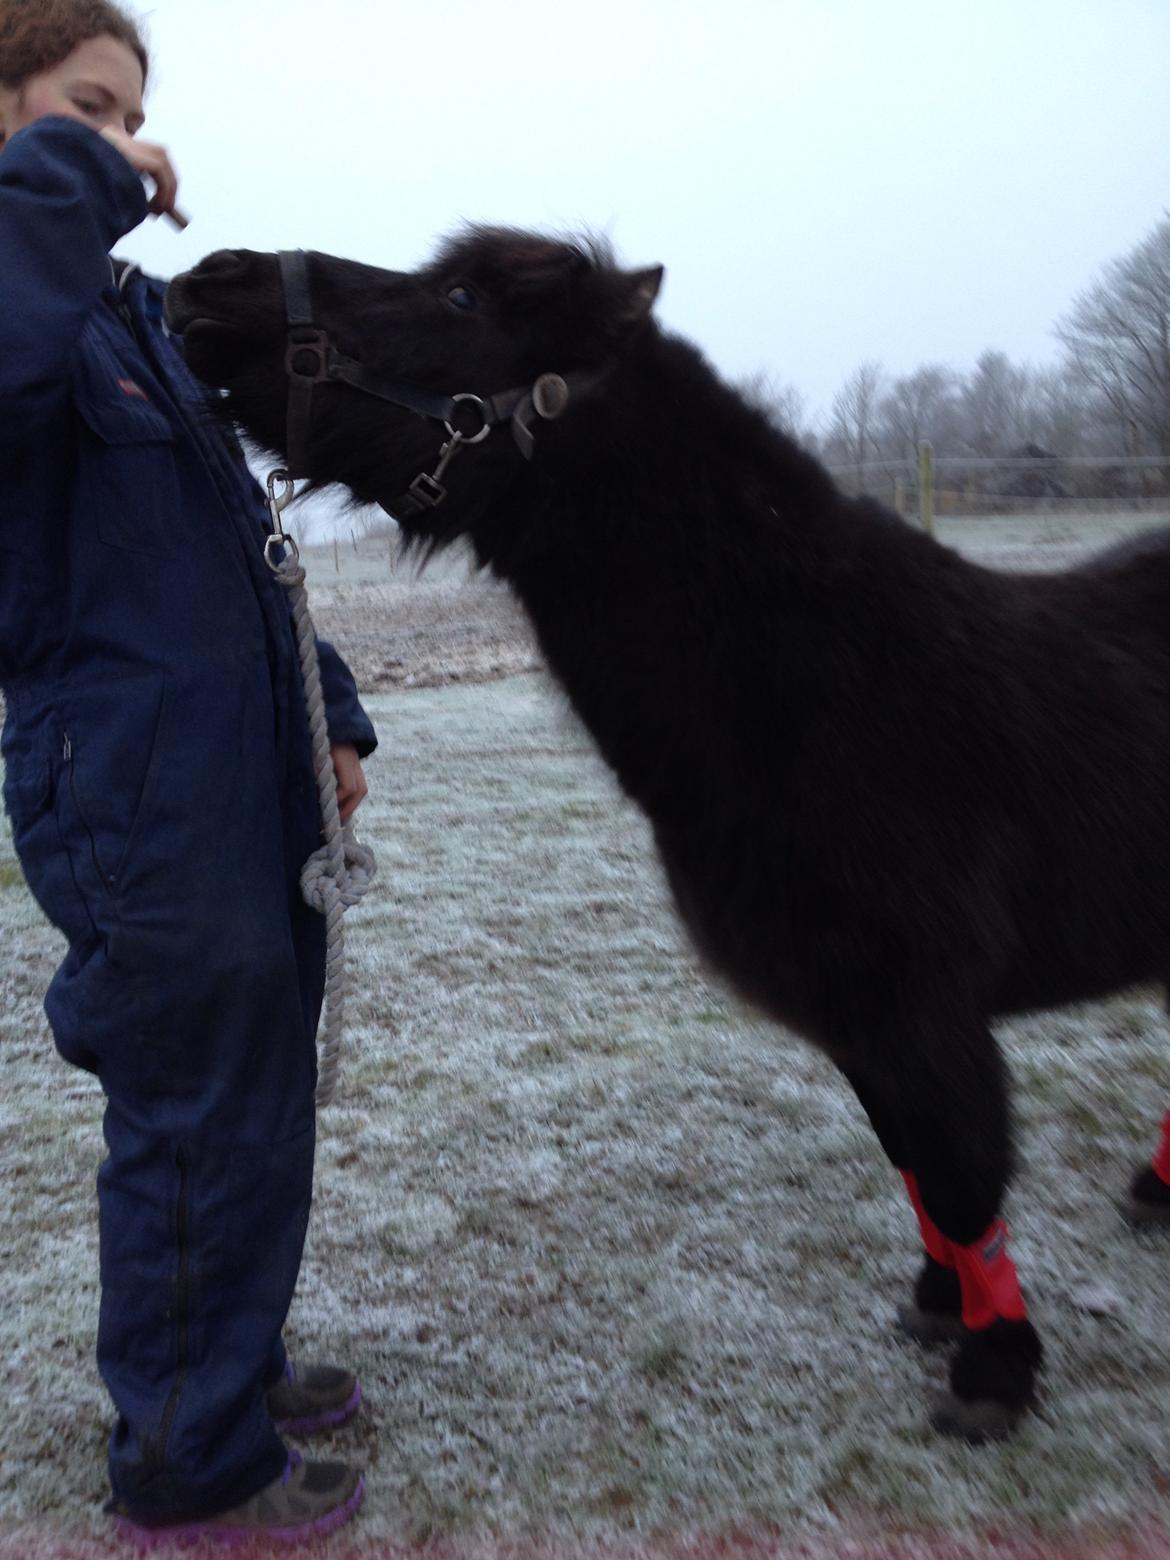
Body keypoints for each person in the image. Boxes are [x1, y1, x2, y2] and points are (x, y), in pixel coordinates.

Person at [0, 0, 375, 1542]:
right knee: (189, 1103)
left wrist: (332, 709)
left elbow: (244, 541)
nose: (133, 142)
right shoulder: (29, 300)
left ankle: (234, 1361)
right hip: (130, 788)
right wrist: (75, 174)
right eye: (88, 104)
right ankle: (183, 1461)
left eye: (132, 110)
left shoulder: (125, 319)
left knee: (258, 1082)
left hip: (242, 761)